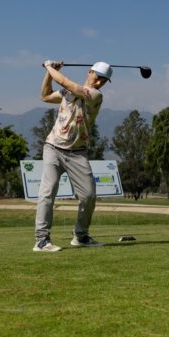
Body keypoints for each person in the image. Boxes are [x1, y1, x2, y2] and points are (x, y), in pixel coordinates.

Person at [33, 60, 112, 252]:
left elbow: (67, 83)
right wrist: (48, 73)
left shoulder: (95, 95)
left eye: (104, 80)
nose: (99, 82)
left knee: (88, 196)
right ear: (89, 72)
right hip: (53, 147)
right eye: (98, 77)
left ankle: (81, 236)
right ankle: (42, 240)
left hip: (78, 153)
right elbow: (44, 96)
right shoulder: (68, 93)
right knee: (47, 193)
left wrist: (49, 67)